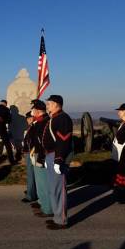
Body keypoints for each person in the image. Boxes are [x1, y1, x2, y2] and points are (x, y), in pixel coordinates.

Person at [42, 95, 73, 230]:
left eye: (49, 103)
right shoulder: (54, 118)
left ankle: (61, 221)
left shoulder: (63, 118)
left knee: (58, 190)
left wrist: (58, 160)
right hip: (50, 155)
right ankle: (57, 216)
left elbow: (64, 141)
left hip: (56, 156)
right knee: (52, 189)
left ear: (56, 104)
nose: (47, 106)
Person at [29, 100, 53, 218]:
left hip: (41, 155)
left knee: (43, 183)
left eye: (33, 110)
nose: (31, 112)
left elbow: (43, 141)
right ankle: (42, 202)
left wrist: (42, 158)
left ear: (38, 111)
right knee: (39, 183)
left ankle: (47, 208)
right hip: (36, 153)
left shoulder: (44, 122)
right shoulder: (38, 122)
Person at [21, 111, 37, 203]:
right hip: (29, 152)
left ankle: (30, 195)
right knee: (31, 174)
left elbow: (32, 142)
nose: (27, 120)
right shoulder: (32, 127)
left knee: (31, 174)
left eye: (28, 118)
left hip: (31, 153)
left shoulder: (34, 127)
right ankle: (32, 191)